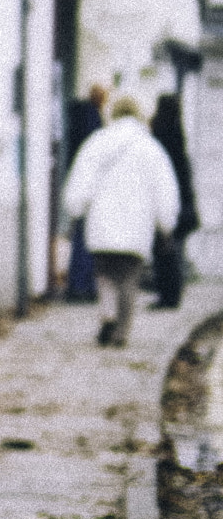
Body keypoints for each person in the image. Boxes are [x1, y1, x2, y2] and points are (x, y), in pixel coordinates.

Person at [62, 94, 182, 346]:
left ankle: (107, 312)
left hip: (102, 224)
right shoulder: (150, 148)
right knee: (128, 280)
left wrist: (75, 209)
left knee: (104, 274)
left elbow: (81, 179)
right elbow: (164, 189)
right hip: (136, 227)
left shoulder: (97, 142)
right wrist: (166, 223)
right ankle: (121, 334)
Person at [149, 91, 199, 308]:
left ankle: (167, 296)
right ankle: (173, 294)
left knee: (164, 252)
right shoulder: (179, 137)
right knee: (175, 251)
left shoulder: (158, 136)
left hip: (168, 202)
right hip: (185, 204)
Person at [63, 85, 106, 302]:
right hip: (89, 193)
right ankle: (82, 285)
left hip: (82, 190)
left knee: (82, 237)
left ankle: (79, 284)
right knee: (84, 240)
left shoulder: (81, 116)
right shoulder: (92, 119)